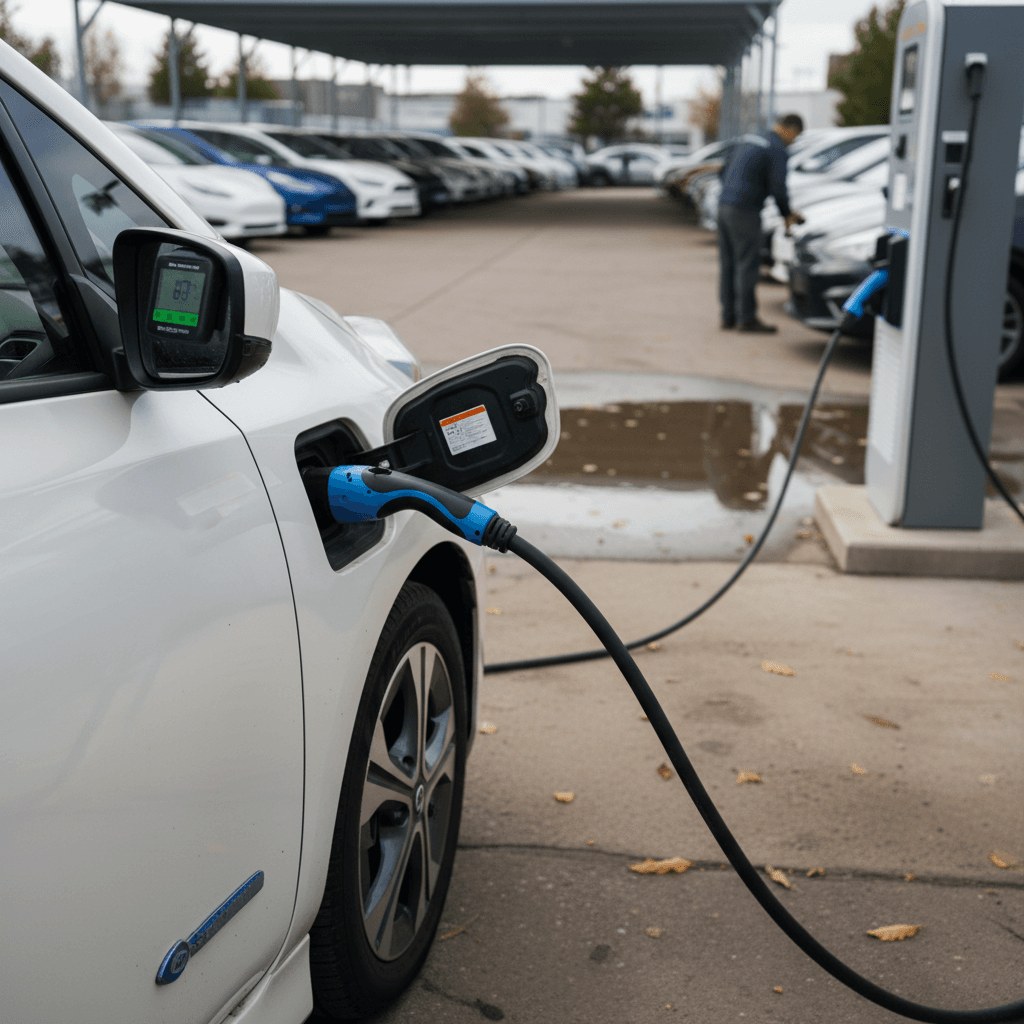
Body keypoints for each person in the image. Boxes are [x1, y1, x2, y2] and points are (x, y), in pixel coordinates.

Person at [717, 113, 804, 333]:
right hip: (745, 210)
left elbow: (722, 171)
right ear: (789, 129)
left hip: (724, 206)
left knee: (728, 265)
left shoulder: (750, 138)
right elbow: (778, 188)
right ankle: (746, 319)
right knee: (747, 265)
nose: (793, 141)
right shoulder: (776, 148)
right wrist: (786, 214)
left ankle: (728, 316)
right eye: (795, 136)